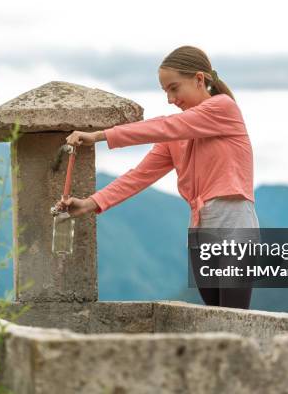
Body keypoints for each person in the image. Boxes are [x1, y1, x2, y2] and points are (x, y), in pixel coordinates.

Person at [55, 45, 260, 309]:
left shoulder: (223, 108)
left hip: (234, 222)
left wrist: (98, 135)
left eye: (174, 88)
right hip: (199, 227)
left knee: (235, 316)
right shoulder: (177, 135)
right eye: (165, 91)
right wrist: (90, 203)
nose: (170, 99)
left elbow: (164, 125)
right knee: (216, 315)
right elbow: (139, 176)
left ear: (199, 79)